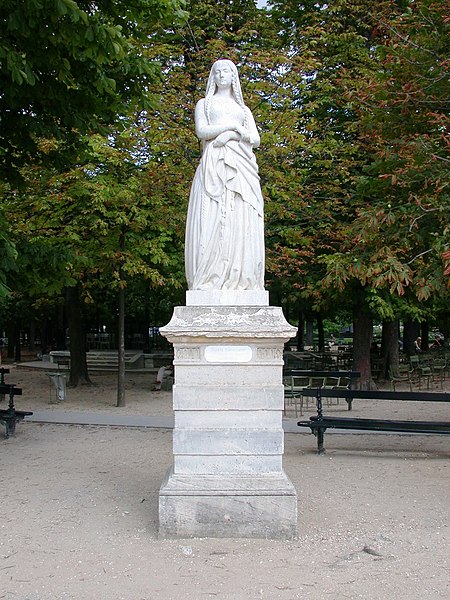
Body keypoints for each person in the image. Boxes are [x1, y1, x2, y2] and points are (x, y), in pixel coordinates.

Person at [185, 59, 265, 291]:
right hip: (214, 164)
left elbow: (256, 139)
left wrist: (231, 135)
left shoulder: (243, 109)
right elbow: (202, 131)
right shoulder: (205, 104)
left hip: (242, 166)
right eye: (217, 72)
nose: (221, 75)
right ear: (213, 77)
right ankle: (211, 275)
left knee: (240, 217)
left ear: (233, 77)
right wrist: (231, 130)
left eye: (226, 71)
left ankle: (240, 276)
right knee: (213, 218)